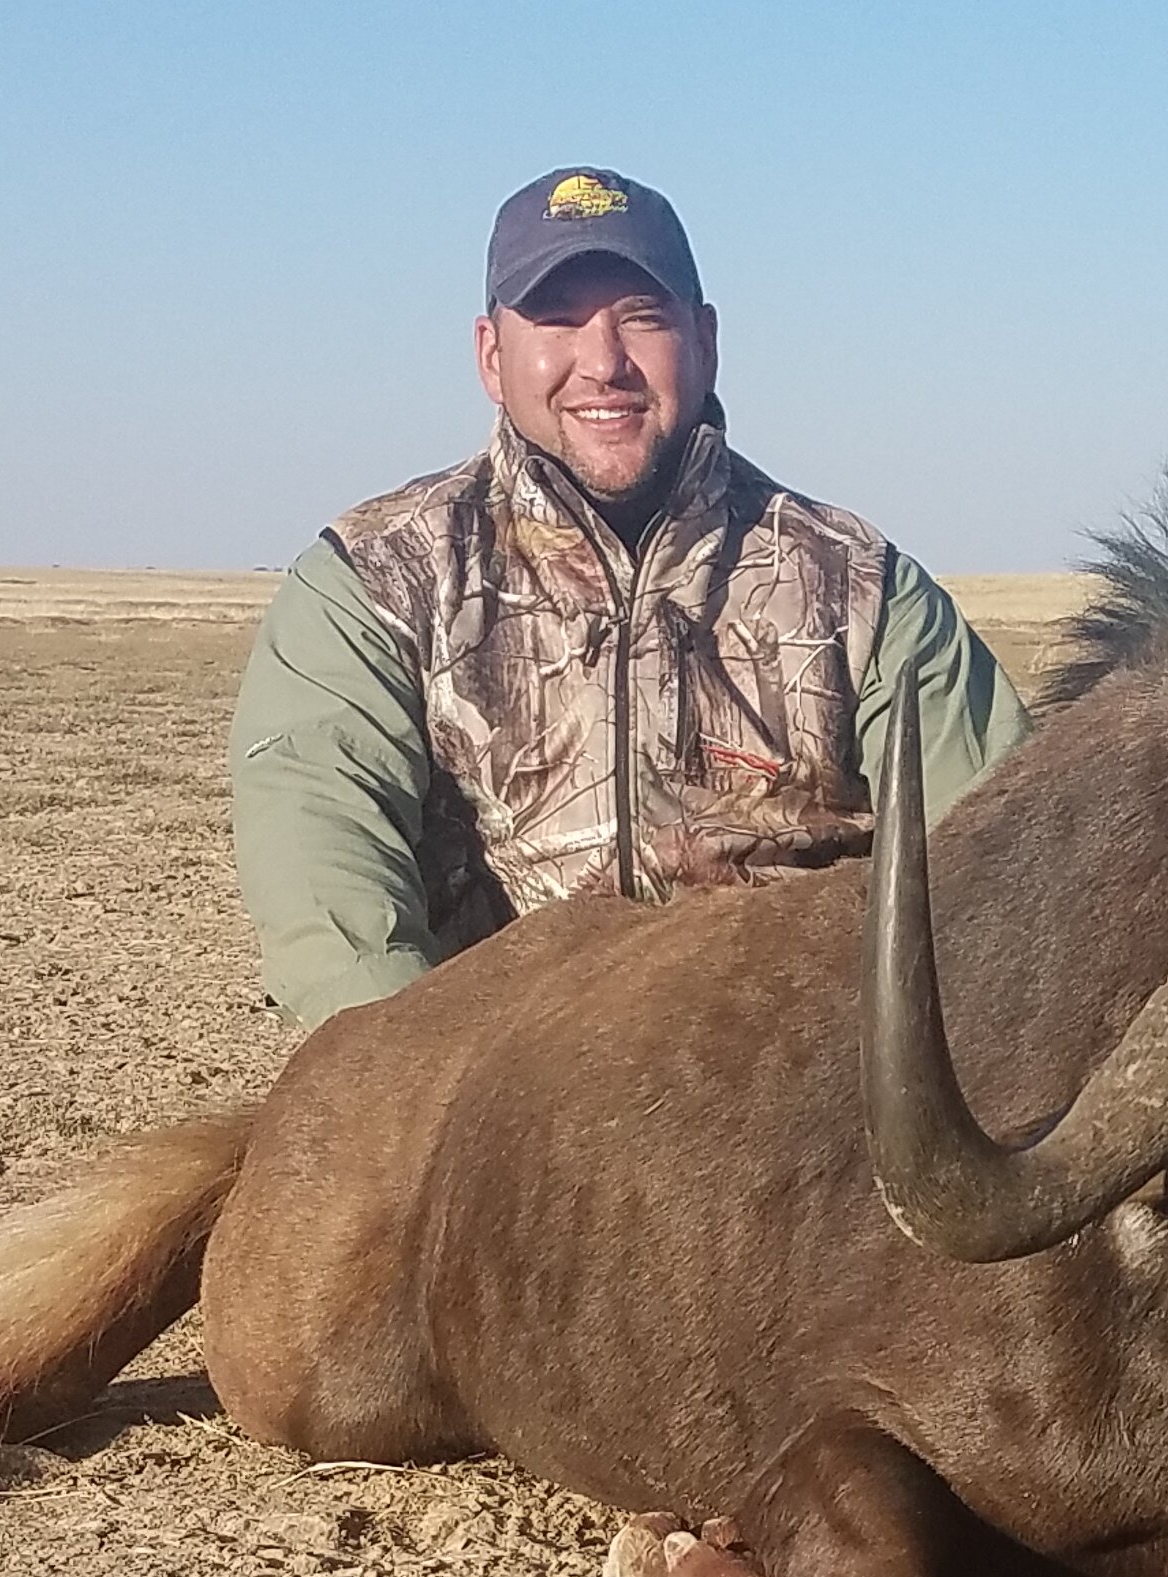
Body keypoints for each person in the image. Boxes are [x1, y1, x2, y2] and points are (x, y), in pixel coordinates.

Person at [230, 167, 1031, 1031]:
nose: (603, 362)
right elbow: (329, 893)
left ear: (707, 341)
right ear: (492, 358)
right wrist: (421, 1105)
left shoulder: (864, 591)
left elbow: (1011, 870)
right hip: (483, 1110)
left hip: (805, 1106)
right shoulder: (374, 582)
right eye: (558, 320)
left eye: (641, 318)